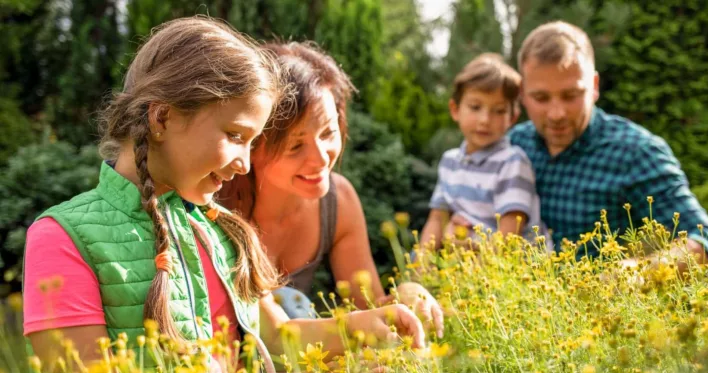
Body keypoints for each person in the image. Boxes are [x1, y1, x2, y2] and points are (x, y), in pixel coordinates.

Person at [22, 17, 426, 371]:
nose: (245, 165)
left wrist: (365, 326)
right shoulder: (64, 237)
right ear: (161, 117)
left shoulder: (222, 232)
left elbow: (278, 338)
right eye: (235, 136)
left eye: (253, 142)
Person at [216, 41, 444, 336]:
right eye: (295, 145)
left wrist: (411, 295)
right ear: (252, 144)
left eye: (328, 132)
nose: (321, 158)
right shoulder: (215, 203)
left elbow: (369, 307)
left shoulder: (338, 202)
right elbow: (273, 336)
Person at [508, 21, 708, 271]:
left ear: (595, 86)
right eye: (541, 98)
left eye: (571, 95)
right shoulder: (513, 144)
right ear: (522, 93)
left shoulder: (635, 151)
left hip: (601, 306)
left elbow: (704, 243)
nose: (557, 113)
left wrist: (635, 274)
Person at [419, 53, 552, 251]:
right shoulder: (450, 161)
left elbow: (509, 236)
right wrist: (423, 264)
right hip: (464, 262)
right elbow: (437, 219)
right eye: (475, 107)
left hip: (510, 268)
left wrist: (466, 249)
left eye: (499, 111)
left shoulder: (512, 162)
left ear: (512, 117)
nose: (485, 120)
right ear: (455, 110)